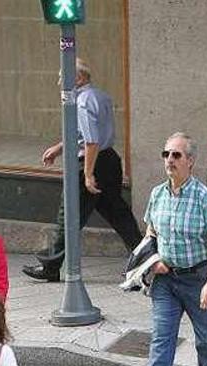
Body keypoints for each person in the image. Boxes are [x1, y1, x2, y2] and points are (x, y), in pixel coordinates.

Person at [128, 133, 207, 366]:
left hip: (197, 277)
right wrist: (153, 262)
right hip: (165, 281)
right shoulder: (158, 194)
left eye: (176, 155)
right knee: (162, 337)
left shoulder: (203, 197)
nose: (170, 160)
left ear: (191, 161)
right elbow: (151, 235)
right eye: (166, 154)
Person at [23, 58, 143, 282]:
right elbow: (85, 134)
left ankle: (50, 266)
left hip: (92, 162)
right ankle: (143, 258)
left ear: (78, 78)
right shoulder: (100, 96)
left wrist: (88, 174)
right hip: (109, 161)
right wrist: (59, 149)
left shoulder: (81, 103)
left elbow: (91, 141)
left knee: (68, 214)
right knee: (118, 213)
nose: (59, 81)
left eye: (62, 76)